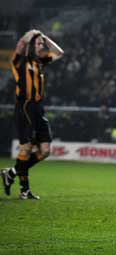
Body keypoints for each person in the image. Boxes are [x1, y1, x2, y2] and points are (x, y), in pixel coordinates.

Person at [1, 29, 64, 200]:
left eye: (40, 45)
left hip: (38, 108)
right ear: (30, 45)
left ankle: (11, 172)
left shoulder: (40, 62)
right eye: (37, 44)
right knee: (26, 147)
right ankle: (24, 190)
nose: (40, 47)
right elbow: (20, 45)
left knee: (44, 151)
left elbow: (59, 52)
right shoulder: (18, 61)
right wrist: (32, 34)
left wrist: (45, 38)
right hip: (25, 107)